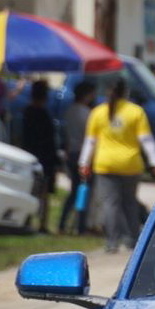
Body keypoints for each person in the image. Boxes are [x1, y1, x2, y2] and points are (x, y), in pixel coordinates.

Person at [79, 79, 155, 253]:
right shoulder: (135, 112)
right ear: (126, 92)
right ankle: (132, 239)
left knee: (110, 204)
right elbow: (145, 140)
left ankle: (111, 241)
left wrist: (84, 162)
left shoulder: (97, 113)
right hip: (130, 164)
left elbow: (90, 141)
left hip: (105, 164)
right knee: (129, 203)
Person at [17, 79, 61, 233]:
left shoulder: (26, 112)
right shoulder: (43, 114)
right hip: (44, 157)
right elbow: (49, 139)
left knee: (30, 190)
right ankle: (42, 223)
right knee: (43, 193)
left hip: (29, 154)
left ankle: (27, 220)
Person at [58, 80, 97, 234]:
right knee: (84, 191)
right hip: (83, 154)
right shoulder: (87, 114)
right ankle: (80, 226)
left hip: (71, 153)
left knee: (74, 190)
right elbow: (90, 137)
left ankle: (63, 223)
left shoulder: (69, 111)